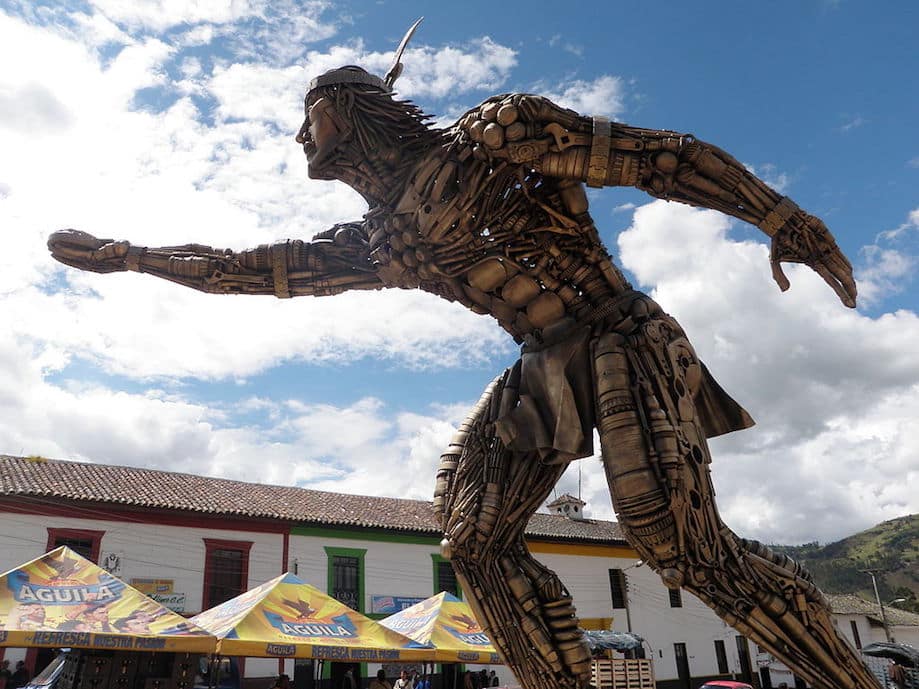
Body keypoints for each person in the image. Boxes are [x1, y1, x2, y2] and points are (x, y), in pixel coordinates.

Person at [46, 22, 878, 689]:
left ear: (346, 110)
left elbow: (657, 156)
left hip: (620, 333)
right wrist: (129, 254)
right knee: (473, 538)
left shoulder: (498, 135)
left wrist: (776, 215)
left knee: (678, 546)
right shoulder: (380, 239)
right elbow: (248, 271)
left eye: (309, 114)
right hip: (541, 361)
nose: (299, 134)